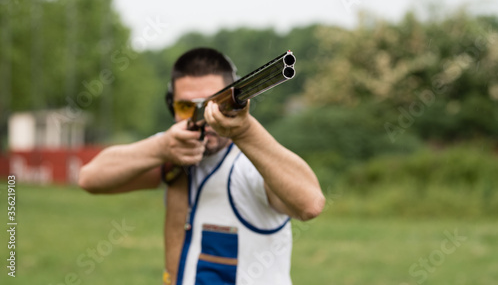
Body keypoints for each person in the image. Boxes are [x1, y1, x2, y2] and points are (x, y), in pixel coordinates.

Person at [78, 47, 325, 285]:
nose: (203, 117)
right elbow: (90, 178)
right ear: (170, 105)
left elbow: (311, 204)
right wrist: (160, 147)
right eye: (186, 107)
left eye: (211, 104)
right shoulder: (171, 150)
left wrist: (246, 131)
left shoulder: (250, 163)